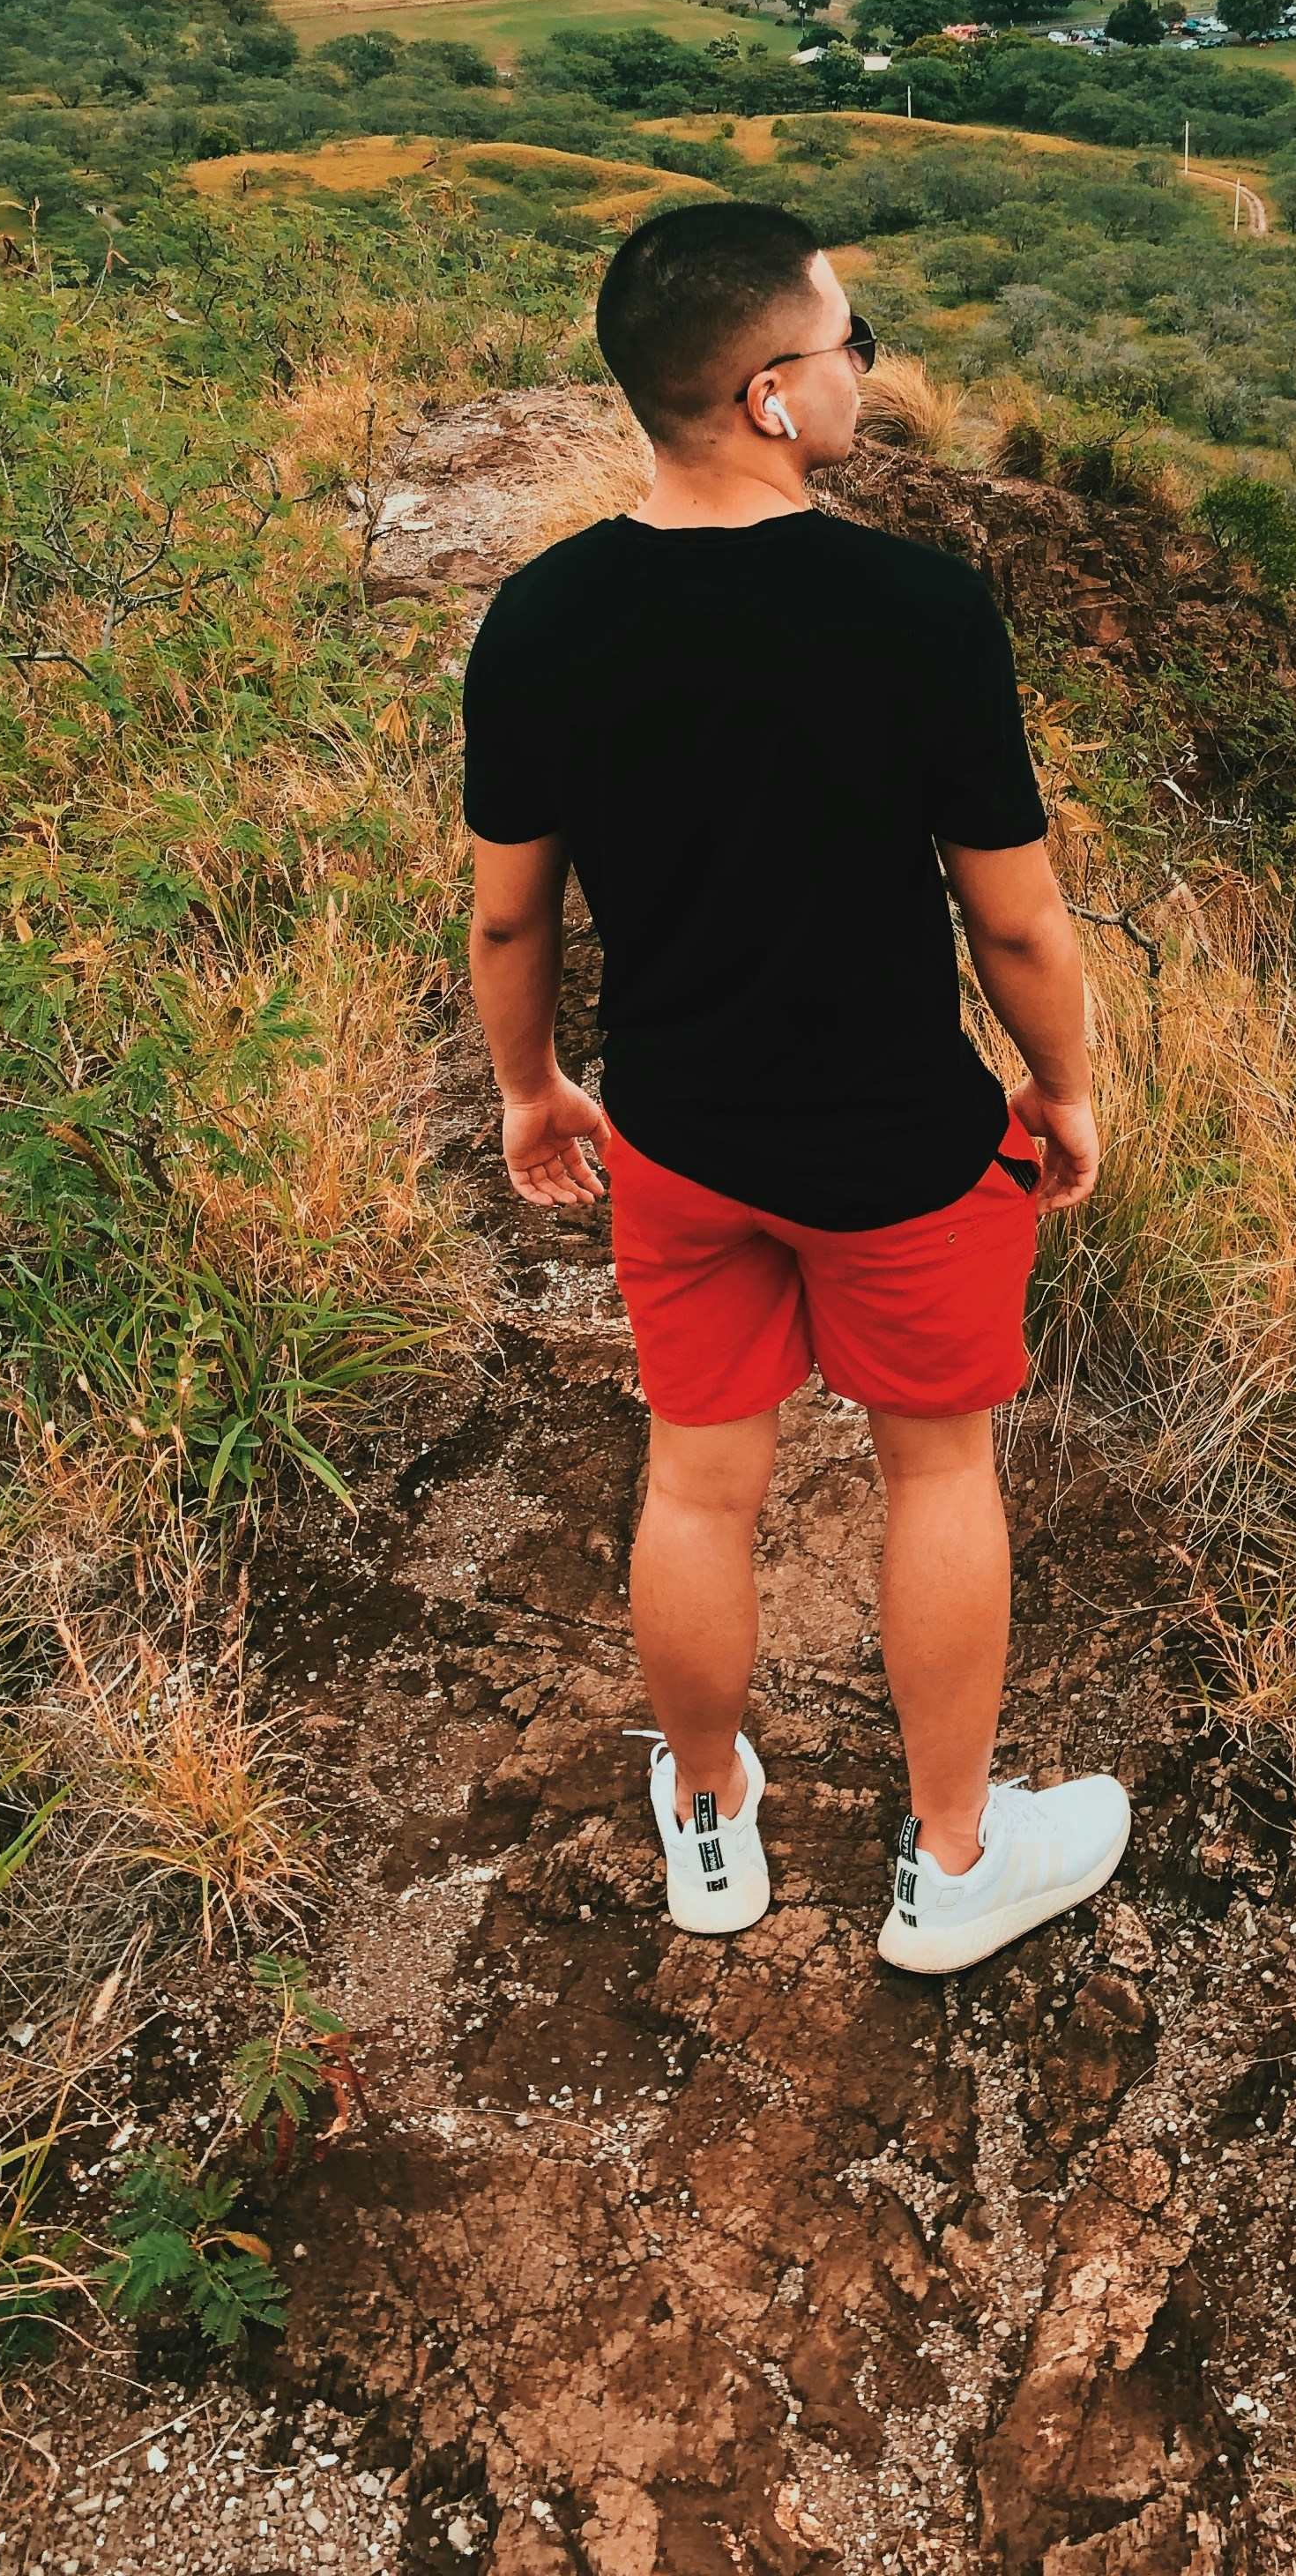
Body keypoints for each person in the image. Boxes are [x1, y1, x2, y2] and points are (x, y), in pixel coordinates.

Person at [462, 201, 1130, 1973]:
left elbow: (511, 911)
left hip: (680, 1141)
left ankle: (708, 1822)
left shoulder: (540, 621)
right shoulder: (914, 613)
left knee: (697, 1485)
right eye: (849, 346)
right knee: (937, 1476)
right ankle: (957, 1862)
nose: (866, 373)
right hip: (901, 1152)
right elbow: (1020, 925)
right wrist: (1064, 1091)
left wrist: (533, 1089)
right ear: (768, 394)